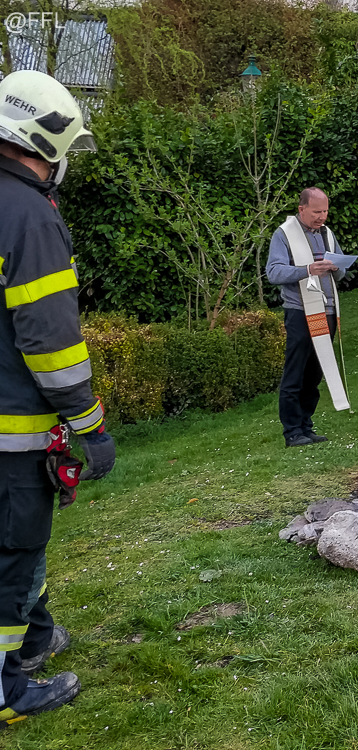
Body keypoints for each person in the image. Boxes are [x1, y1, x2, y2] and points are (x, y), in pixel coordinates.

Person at [0, 70, 116, 726]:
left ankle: (35, 636)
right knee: (16, 549)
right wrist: (89, 425)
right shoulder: (28, 214)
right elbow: (50, 341)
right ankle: (7, 691)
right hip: (11, 429)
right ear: (44, 144)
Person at [266, 188, 348, 447]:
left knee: (314, 373)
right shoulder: (284, 234)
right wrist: (308, 269)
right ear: (301, 209)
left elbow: (341, 273)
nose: (322, 217)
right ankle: (292, 431)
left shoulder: (327, 233)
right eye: (316, 212)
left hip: (327, 310)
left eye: (325, 211)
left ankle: (306, 426)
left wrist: (337, 267)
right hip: (300, 311)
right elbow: (274, 272)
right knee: (296, 372)